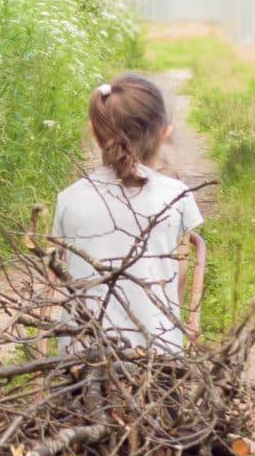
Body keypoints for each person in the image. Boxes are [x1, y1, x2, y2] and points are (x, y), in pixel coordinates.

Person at [48, 74, 204, 353]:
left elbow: (57, 276)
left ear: (93, 132)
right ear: (164, 132)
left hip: (80, 358)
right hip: (158, 355)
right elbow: (178, 278)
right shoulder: (176, 196)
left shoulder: (69, 198)